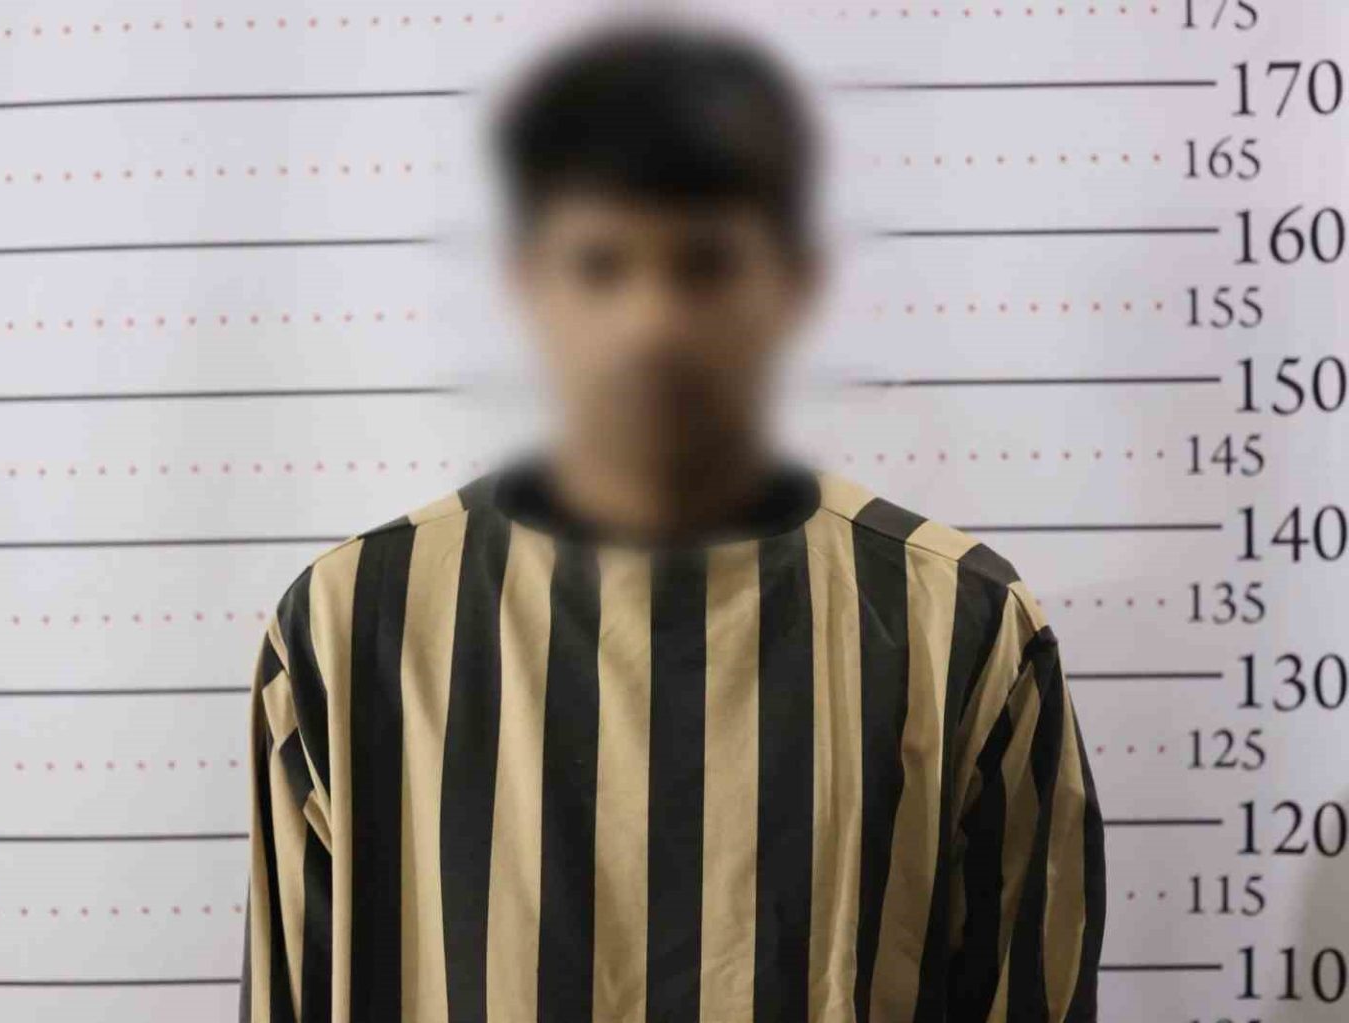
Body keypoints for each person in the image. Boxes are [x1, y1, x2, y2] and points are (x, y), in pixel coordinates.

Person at [239, 17, 1105, 1023]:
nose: (652, 324)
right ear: (527, 282)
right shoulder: (349, 628)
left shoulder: (962, 629)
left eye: (705, 265)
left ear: (795, 280)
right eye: (600, 265)